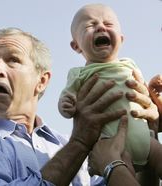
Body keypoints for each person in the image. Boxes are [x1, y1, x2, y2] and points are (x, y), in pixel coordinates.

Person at [0, 27, 159, 186]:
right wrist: (80, 143)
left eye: (12, 59)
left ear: (42, 81)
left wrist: (147, 135)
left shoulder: (65, 145)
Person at [58, 3, 162, 179]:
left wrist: (153, 90)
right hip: (113, 146)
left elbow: (144, 95)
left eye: (108, 24)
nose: (100, 27)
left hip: (147, 141)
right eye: (90, 25)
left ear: (121, 39)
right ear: (76, 46)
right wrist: (66, 104)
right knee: (122, 175)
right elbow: (67, 96)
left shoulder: (129, 64)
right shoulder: (79, 74)